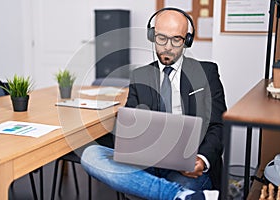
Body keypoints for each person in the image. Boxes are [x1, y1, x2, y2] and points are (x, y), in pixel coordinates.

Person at [81, 7, 227, 200]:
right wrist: (126, 138)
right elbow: (129, 124)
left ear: (187, 41)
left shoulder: (206, 72)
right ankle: (179, 195)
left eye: (176, 39)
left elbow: (219, 125)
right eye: (161, 38)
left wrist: (202, 159)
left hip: (187, 167)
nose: (167, 46)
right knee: (91, 154)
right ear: (152, 36)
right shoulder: (140, 75)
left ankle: (168, 191)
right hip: (146, 164)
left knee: (174, 184)